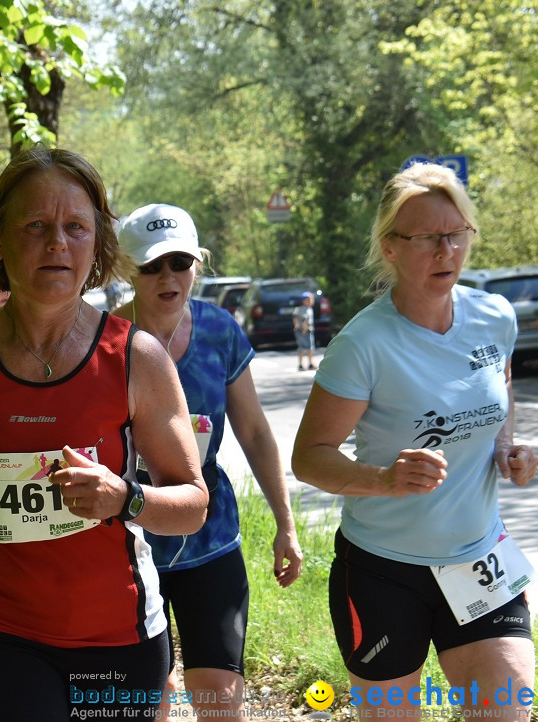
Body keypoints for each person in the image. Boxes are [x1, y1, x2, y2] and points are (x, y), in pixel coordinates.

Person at [0, 148, 208, 721]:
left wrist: (123, 498)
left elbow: (192, 502)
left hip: (120, 634)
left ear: (97, 244)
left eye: (76, 227)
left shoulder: (136, 358)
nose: (58, 242)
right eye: (36, 226)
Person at [291, 163, 537, 720]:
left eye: (456, 234)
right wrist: (382, 479)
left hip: (480, 561)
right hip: (383, 570)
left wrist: (505, 448)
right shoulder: (364, 344)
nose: (446, 250)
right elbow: (308, 458)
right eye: (427, 237)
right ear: (391, 248)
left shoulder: (494, 316)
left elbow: (498, 390)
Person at [113, 204, 303, 721]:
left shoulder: (219, 330)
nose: (168, 277)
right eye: (152, 266)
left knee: (220, 701)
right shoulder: (104, 341)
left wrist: (286, 524)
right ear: (127, 270)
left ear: (199, 262)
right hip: (126, 546)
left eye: (180, 262)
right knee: (150, 703)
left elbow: (257, 432)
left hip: (211, 538)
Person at [293, 291, 316, 371]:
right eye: (309, 299)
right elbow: (305, 319)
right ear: (304, 301)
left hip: (299, 330)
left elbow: (294, 316)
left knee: (301, 347)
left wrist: (296, 325)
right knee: (309, 347)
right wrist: (304, 328)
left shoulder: (299, 309)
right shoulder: (306, 309)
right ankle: (310, 363)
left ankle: (301, 364)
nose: (311, 301)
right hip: (305, 331)